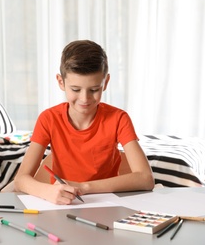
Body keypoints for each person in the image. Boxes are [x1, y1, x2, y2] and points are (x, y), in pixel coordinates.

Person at [13, 40, 154, 205]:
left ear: (105, 82)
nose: (84, 99)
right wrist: (48, 191)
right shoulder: (49, 118)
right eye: (75, 89)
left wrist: (84, 187)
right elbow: (20, 179)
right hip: (61, 204)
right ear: (61, 82)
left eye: (94, 90)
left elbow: (145, 178)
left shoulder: (119, 119)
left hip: (104, 203)